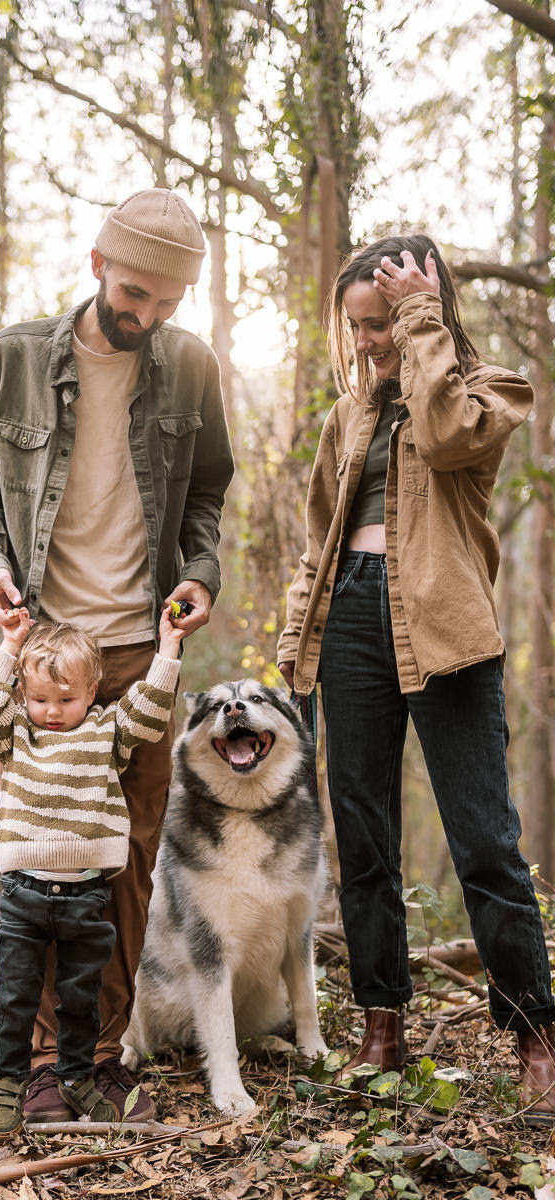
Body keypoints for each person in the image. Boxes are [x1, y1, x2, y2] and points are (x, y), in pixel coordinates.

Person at [0, 188, 234, 1122]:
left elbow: (207, 497)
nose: (146, 316)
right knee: (40, 857)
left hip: (141, 656)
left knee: (126, 859)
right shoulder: (16, 358)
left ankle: (98, 1062)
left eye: (166, 303)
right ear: (97, 264)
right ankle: (35, 1067)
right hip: (45, 658)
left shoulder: (190, 369)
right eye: (134, 292)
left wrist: (198, 574)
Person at [276, 233, 555, 1123]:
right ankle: (382, 1025)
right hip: (350, 619)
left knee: (485, 841)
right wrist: (296, 633)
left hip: (446, 631)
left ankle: (534, 1036)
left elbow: (441, 441)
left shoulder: (487, 391)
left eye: (385, 323)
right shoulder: (347, 413)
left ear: (426, 309)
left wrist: (421, 322)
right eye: (359, 326)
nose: (369, 342)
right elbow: (320, 534)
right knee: (362, 835)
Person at [0, 606, 185, 1137]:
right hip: (23, 895)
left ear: (93, 694)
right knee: (18, 995)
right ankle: (10, 1086)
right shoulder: (14, 732)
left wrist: (168, 649)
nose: (53, 712)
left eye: (66, 700)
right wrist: (10, 646)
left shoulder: (109, 731)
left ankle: (79, 1076)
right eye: (40, 700)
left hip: (87, 895)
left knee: (81, 994)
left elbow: (150, 711)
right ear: (22, 696)